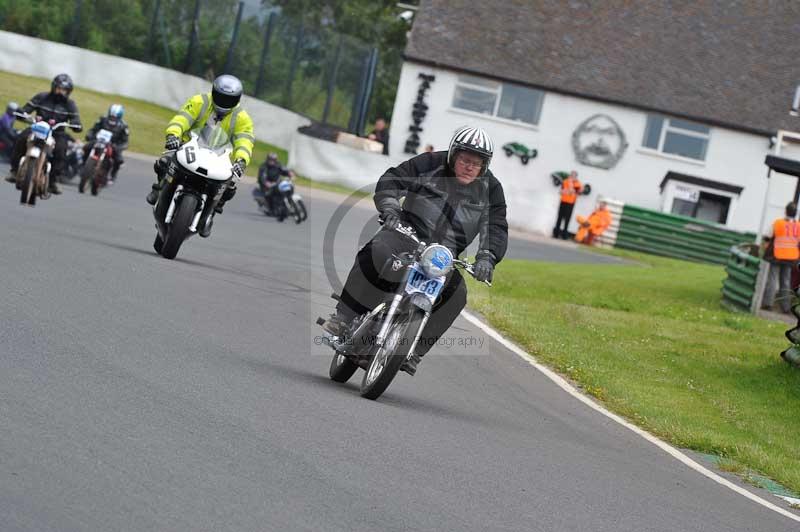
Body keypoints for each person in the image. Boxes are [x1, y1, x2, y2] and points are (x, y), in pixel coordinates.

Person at [323, 125, 508, 375]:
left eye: (477, 163)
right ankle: (344, 315)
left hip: (445, 255)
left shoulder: (491, 189)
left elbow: (495, 225)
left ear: (485, 165)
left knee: (457, 294)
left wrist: (488, 256)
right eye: (465, 159)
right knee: (376, 251)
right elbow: (393, 179)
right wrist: (389, 206)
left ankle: (414, 352)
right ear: (454, 154)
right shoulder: (429, 163)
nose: (469, 166)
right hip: (405, 234)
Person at [145, 74, 255, 237]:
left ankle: (212, 212)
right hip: (188, 148)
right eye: (221, 97)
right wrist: (173, 135)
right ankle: (159, 188)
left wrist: (241, 161)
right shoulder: (200, 101)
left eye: (229, 99)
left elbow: (245, 141)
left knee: (230, 185)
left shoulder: (242, 118)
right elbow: (181, 119)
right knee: (164, 161)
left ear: (237, 99)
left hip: (218, 158)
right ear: (214, 92)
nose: (224, 102)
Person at [5, 74, 82, 194]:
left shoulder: (70, 104)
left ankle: (52, 182)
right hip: (37, 128)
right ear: (53, 87)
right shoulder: (42, 97)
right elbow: (26, 110)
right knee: (21, 139)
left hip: (57, 132)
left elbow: (76, 120)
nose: (61, 92)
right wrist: (21, 113)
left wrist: (76, 125)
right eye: (59, 88)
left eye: (64, 90)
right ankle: (14, 170)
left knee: (61, 150)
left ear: (68, 91)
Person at [762, 202, 800, 313]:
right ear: (795, 213)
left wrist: (765, 249)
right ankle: (786, 307)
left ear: (785, 211)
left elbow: (767, 237)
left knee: (772, 279)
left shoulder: (778, 223)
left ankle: (768, 304)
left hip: (777, 255)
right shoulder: (798, 226)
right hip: (791, 257)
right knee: (786, 282)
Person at [83, 104, 129, 184]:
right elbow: (93, 130)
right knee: (86, 147)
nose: (112, 119)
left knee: (119, 160)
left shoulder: (124, 126)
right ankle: (83, 165)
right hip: (98, 141)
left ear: (119, 117)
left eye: (114, 117)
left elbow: (125, 141)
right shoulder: (102, 119)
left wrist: (119, 147)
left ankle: (112, 175)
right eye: (111, 116)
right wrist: (89, 135)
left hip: (112, 145)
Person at [257, 152, 295, 221]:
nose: (271, 161)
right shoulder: (263, 167)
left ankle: (290, 204)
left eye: (273, 160)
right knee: (270, 194)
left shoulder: (278, 165)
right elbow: (262, 177)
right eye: (270, 160)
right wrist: (266, 183)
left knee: (289, 187)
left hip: (277, 183)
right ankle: (271, 208)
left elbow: (284, 170)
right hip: (266, 186)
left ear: (275, 160)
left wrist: (290, 173)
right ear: (267, 159)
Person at [552, 170, 583, 239]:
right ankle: (556, 233)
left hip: (570, 203)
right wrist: (566, 191)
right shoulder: (565, 181)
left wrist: (570, 185)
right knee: (559, 217)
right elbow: (561, 190)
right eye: (571, 175)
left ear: (576, 176)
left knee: (567, 219)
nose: (571, 176)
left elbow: (575, 191)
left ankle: (564, 234)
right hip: (563, 201)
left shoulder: (578, 184)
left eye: (573, 175)